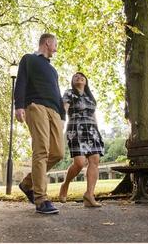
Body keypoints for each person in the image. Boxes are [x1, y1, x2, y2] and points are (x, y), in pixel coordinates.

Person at [14, 33, 66, 214]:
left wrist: (63, 115)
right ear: (47, 42)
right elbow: (20, 82)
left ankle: (27, 183)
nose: (56, 48)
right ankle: (41, 199)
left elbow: (57, 93)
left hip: (54, 111)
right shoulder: (29, 59)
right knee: (41, 149)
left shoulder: (53, 70)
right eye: (55, 44)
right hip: (36, 106)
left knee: (58, 153)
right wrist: (19, 105)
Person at [58, 72, 104, 207]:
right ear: (73, 81)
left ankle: (89, 195)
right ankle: (65, 185)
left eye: (82, 77)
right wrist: (61, 121)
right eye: (76, 77)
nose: (79, 78)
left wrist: (98, 131)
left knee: (95, 160)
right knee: (79, 162)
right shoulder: (69, 93)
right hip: (76, 128)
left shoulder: (90, 97)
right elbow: (64, 109)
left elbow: (94, 115)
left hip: (92, 130)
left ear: (86, 81)